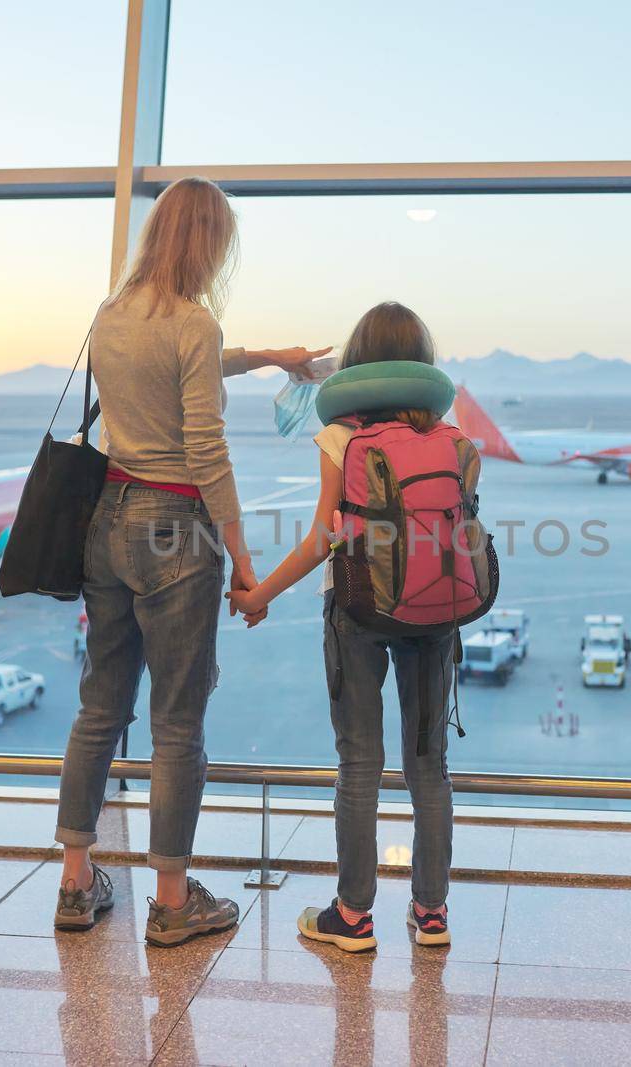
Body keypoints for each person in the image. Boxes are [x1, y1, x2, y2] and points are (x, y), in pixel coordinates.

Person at [52, 176, 328, 943]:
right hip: (175, 528)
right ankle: (173, 902)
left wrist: (267, 355)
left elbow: (172, 362)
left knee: (99, 705)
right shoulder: (193, 322)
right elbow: (206, 446)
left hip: (106, 523)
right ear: (208, 243)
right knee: (178, 722)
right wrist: (244, 562)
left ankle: (76, 884)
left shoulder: (111, 315)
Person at [227, 302, 457, 953]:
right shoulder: (447, 428)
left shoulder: (342, 437)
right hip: (435, 612)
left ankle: (353, 917)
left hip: (356, 610)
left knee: (360, 762)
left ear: (359, 361)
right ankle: (431, 913)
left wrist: (259, 593)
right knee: (429, 764)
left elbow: (325, 537)